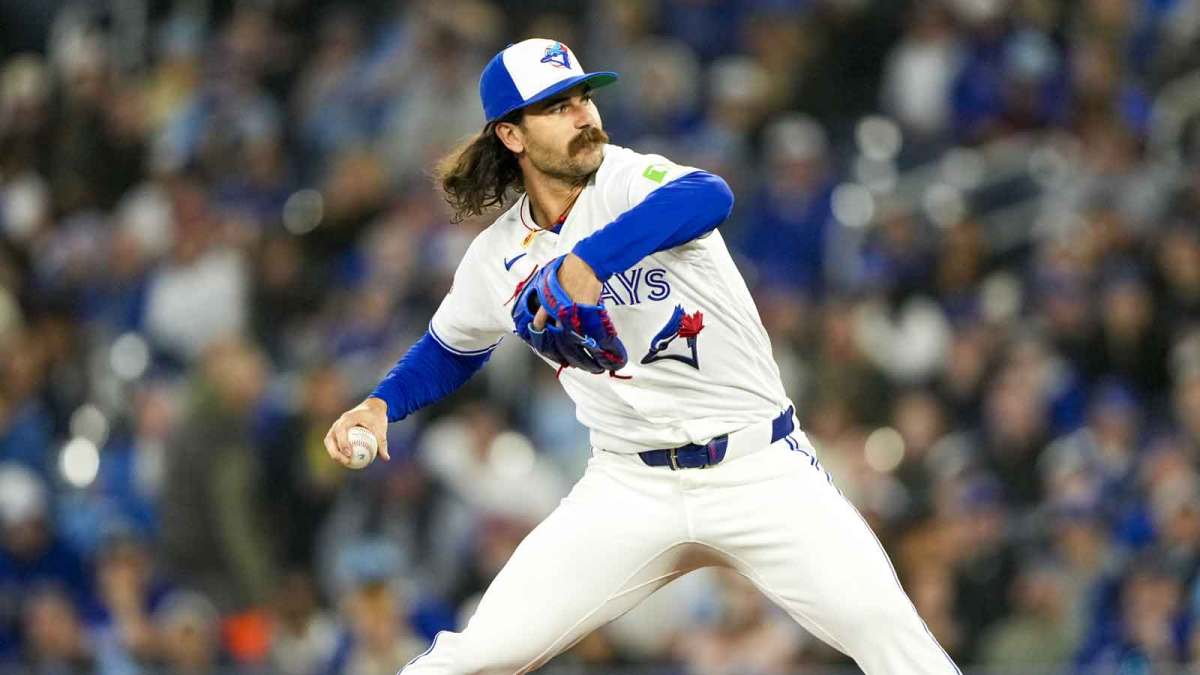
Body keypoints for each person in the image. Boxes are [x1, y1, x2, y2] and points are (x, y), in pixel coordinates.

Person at [325, 38, 959, 673]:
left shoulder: (628, 180)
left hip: (759, 467)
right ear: (512, 136)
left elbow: (710, 196)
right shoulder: (497, 256)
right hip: (631, 487)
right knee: (478, 654)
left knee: (891, 638)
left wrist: (585, 262)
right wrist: (382, 404)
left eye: (584, 98)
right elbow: (451, 348)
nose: (583, 117)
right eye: (557, 107)